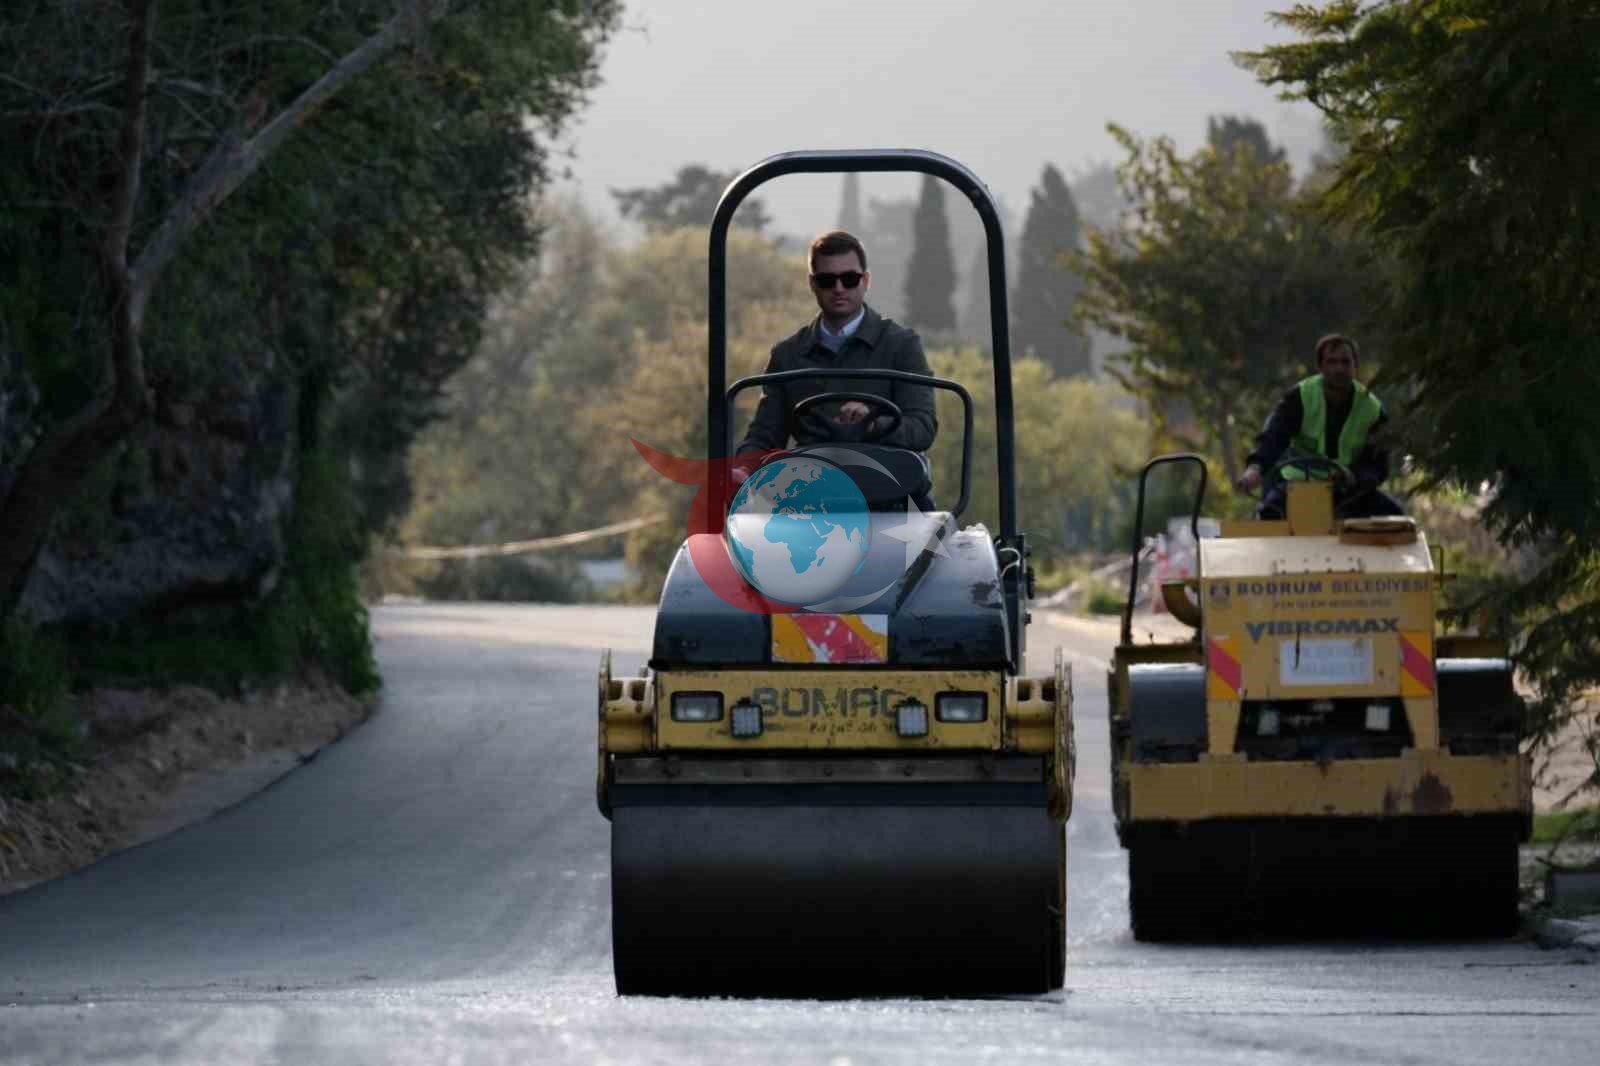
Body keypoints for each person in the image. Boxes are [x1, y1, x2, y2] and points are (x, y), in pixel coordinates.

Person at [733, 230, 936, 484]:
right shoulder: (789, 356)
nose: (839, 289)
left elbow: (922, 428)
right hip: (813, 496)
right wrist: (744, 467)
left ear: (866, 281)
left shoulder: (901, 346)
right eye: (828, 280)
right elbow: (766, 434)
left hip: (891, 491)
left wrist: (873, 423)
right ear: (813, 284)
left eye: (849, 279)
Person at [1235, 333, 1403, 519]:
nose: (1339, 368)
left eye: (1345, 362)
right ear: (1320, 367)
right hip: (1297, 486)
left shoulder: (1373, 409)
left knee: (1393, 514)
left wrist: (1354, 476)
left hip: (1346, 491)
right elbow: (1274, 436)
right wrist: (1255, 469)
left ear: (1355, 367)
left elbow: (1378, 465)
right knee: (1269, 513)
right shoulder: (1300, 397)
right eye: (1332, 362)